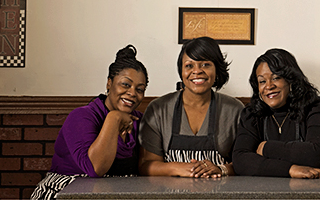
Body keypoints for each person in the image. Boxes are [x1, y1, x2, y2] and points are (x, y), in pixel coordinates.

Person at [30, 45, 149, 199]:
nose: (132, 93)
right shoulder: (81, 116)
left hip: (114, 194)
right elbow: (95, 169)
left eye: (140, 89)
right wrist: (114, 118)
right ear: (109, 83)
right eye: (125, 85)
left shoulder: (139, 121)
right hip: (65, 191)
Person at [232, 48, 320, 185]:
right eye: (262, 81)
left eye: (276, 78)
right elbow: (240, 160)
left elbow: (318, 154)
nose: (269, 86)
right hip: (275, 184)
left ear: (291, 80)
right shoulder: (252, 114)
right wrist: (290, 169)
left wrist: (266, 148)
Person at [139, 36, 244, 178]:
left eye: (205, 64)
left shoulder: (235, 110)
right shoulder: (158, 109)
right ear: (181, 71)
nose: (197, 71)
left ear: (217, 69)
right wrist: (178, 168)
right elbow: (146, 165)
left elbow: (244, 163)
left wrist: (221, 169)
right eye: (189, 65)